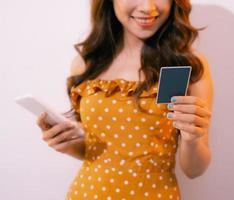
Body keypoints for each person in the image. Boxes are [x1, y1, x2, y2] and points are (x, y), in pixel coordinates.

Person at [37, 0, 213, 199]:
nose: (148, 7)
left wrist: (192, 140)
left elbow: (194, 170)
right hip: (87, 193)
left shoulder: (187, 64)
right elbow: (97, 152)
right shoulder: (87, 63)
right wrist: (65, 144)